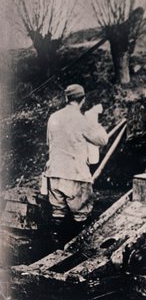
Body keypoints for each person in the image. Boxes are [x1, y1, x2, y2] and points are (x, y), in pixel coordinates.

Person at [45, 84, 108, 244]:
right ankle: (77, 251)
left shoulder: (53, 117)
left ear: (66, 98)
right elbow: (102, 139)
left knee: (57, 213)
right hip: (75, 175)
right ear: (83, 99)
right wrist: (94, 118)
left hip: (54, 173)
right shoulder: (82, 120)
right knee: (81, 215)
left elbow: (49, 142)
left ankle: (54, 248)